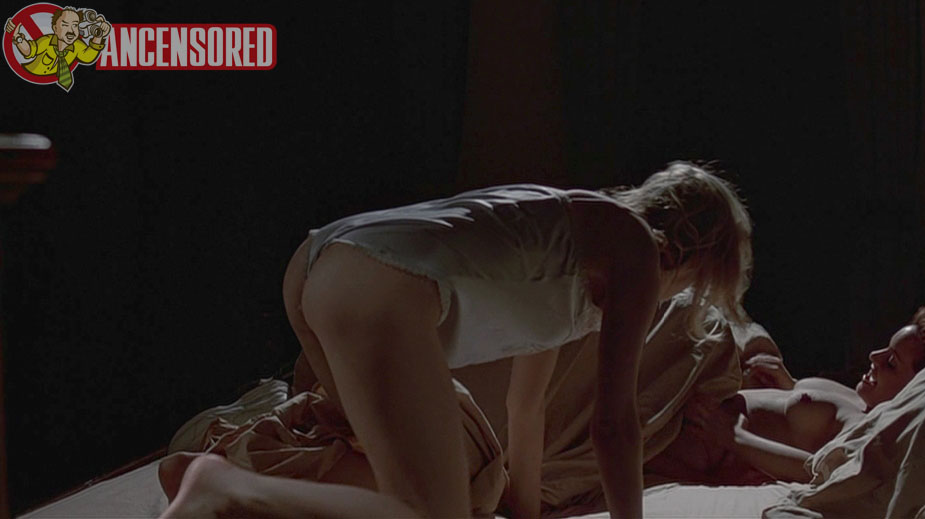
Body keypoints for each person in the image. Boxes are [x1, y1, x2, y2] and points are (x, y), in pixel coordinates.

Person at [157, 162, 753, 518]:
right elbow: (615, 426)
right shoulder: (635, 251)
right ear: (697, 259)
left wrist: (523, 514)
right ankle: (226, 486)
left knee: (398, 487)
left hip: (321, 266)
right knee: (430, 515)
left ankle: (238, 495)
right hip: (375, 281)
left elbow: (525, 410)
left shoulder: (574, 246)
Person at [653, 306, 925, 484]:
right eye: (885, 348)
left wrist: (733, 436)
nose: (874, 356)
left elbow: (823, 470)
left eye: (891, 363)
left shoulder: (872, 427)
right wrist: (789, 384)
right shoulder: (861, 398)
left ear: (917, 385)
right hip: (701, 403)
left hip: (700, 439)